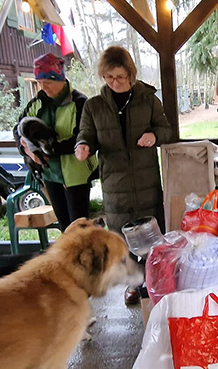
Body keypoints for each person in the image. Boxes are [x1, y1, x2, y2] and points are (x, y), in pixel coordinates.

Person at [75, 46, 172, 304]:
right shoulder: (94, 106)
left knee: (152, 232)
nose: (114, 82)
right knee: (122, 235)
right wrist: (82, 146)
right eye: (108, 78)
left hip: (147, 180)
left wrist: (155, 135)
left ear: (130, 74)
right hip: (114, 182)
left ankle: (156, 281)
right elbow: (86, 135)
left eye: (119, 77)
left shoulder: (148, 100)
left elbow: (166, 129)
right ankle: (133, 285)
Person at [14, 52, 97, 231]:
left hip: (76, 174)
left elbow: (81, 137)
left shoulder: (79, 102)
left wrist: (48, 150)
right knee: (64, 225)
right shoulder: (38, 103)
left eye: (48, 83)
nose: (44, 88)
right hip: (50, 174)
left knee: (79, 226)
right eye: (40, 83)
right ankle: (68, 256)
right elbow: (18, 130)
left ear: (61, 79)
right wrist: (30, 152)